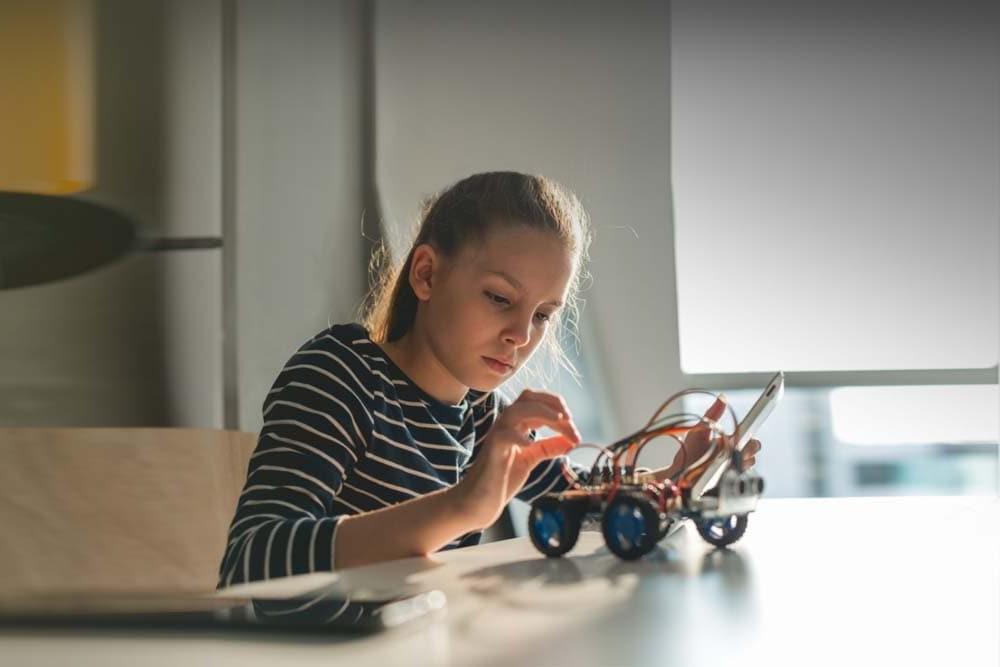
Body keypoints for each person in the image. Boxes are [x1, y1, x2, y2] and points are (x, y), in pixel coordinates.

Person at [217, 171, 761, 587]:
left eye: (544, 314)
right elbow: (252, 560)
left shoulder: (480, 413)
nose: (522, 334)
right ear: (427, 274)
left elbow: (588, 506)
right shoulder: (340, 372)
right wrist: (461, 507)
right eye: (500, 298)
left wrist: (675, 478)